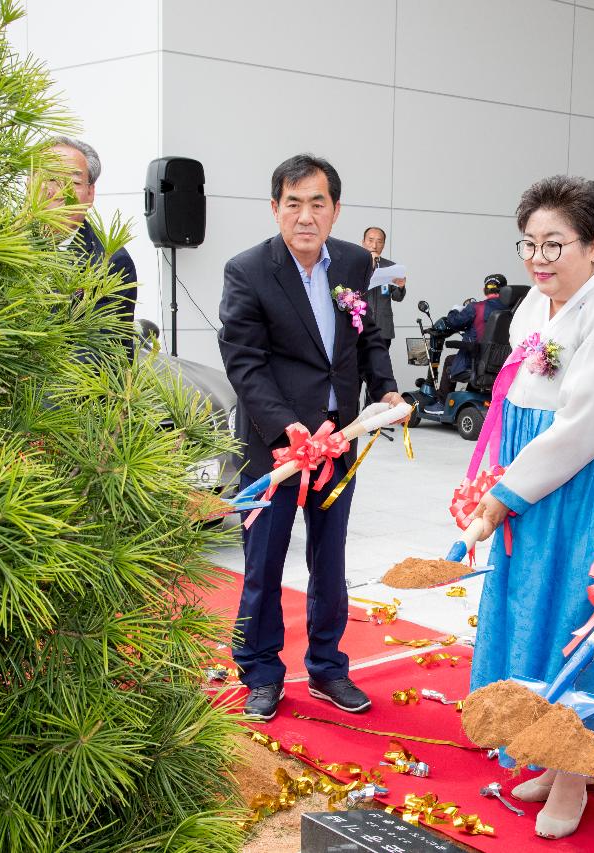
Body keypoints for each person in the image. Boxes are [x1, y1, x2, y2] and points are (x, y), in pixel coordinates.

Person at [466, 176, 594, 839]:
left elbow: (583, 427)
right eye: (529, 242)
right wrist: (500, 473)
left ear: (593, 244)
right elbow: (521, 400)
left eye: (555, 243)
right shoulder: (537, 303)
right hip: (546, 472)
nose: (539, 257)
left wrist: (500, 497)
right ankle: (554, 756)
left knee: (579, 613)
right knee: (536, 601)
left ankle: (577, 769)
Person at [218, 154, 401, 722]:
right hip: (276, 445)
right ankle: (262, 672)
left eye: (317, 203)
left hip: (339, 439)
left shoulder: (351, 261)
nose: (305, 215)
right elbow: (243, 361)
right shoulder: (247, 270)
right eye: (292, 203)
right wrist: (285, 426)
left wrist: (388, 388)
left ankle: (327, 667)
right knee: (264, 561)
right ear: (275, 208)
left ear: (335, 209)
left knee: (330, 558)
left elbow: (366, 336)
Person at [41, 136, 138, 362]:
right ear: (29, 182)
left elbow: (95, 356)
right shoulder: (1, 242)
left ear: (90, 193)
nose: (61, 192)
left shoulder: (109, 262)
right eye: (51, 178)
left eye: (74, 183)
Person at [426, 273, 507, 408]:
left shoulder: (476, 307)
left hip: (476, 360)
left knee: (450, 361)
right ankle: (472, 395)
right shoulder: (512, 309)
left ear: (484, 290)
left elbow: (453, 322)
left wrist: (455, 310)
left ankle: (441, 403)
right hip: (501, 363)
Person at [360, 226, 406, 345]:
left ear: (383, 245)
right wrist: (370, 265)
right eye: (370, 240)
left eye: (379, 241)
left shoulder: (390, 266)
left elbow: (397, 297)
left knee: (381, 362)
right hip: (360, 326)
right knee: (359, 362)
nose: (374, 245)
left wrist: (400, 287)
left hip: (383, 328)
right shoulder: (355, 264)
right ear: (363, 242)